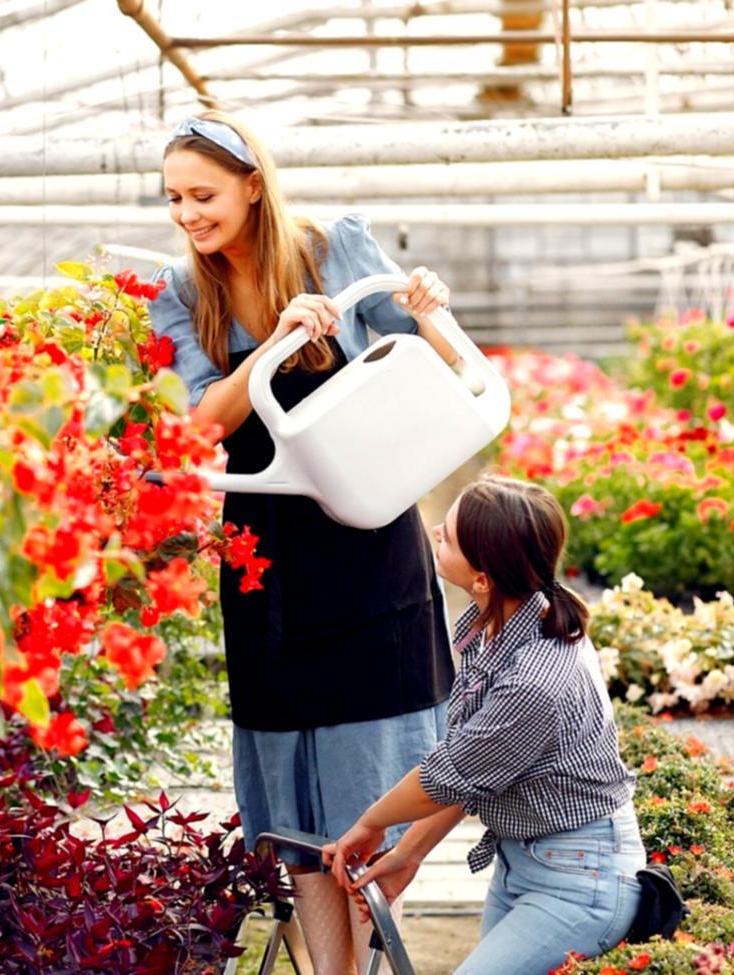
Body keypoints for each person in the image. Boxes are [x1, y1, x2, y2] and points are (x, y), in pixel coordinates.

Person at [147, 110, 462, 974]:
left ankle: (351, 964)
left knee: (368, 792)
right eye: (173, 197)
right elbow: (202, 423)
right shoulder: (180, 294)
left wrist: (429, 310)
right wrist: (278, 341)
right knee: (300, 806)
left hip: (367, 546)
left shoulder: (335, 246)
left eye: (203, 194)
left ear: (255, 184)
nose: (187, 214)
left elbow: (421, 368)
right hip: (266, 562)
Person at [322, 476, 643, 975]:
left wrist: (370, 824)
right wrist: (408, 855)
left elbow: (443, 777)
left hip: (582, 880)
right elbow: (474, 769)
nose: (431, 531)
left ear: (483, 579)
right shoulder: (500, 624)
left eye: (446, 536)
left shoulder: (535, 681)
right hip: (526, 863)